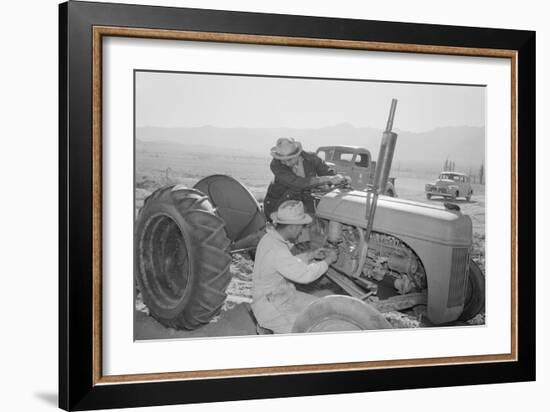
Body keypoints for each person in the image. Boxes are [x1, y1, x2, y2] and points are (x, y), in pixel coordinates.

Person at [251, 200, 338, 334]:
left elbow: (288, 264)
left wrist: (311, 255)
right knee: (306, 330)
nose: (301, 231)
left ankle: (268, 329)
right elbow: (305, 275)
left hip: (279, 294)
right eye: (301, 227)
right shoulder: (276, 249)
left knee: (320, 308)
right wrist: (328, 261)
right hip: (269, 304)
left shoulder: (270, 239)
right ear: (293, 227)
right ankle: (268, 329)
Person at [263, 137, 347, 219]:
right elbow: (297, 183)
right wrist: (326, 179)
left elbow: (328, 172)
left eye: (290, 160)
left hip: (303, 203)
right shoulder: (276, 165)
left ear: (298, 154)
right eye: (283, 160)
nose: (287, 163)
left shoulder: (311, 158)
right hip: (279, 205)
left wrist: (340, 179)